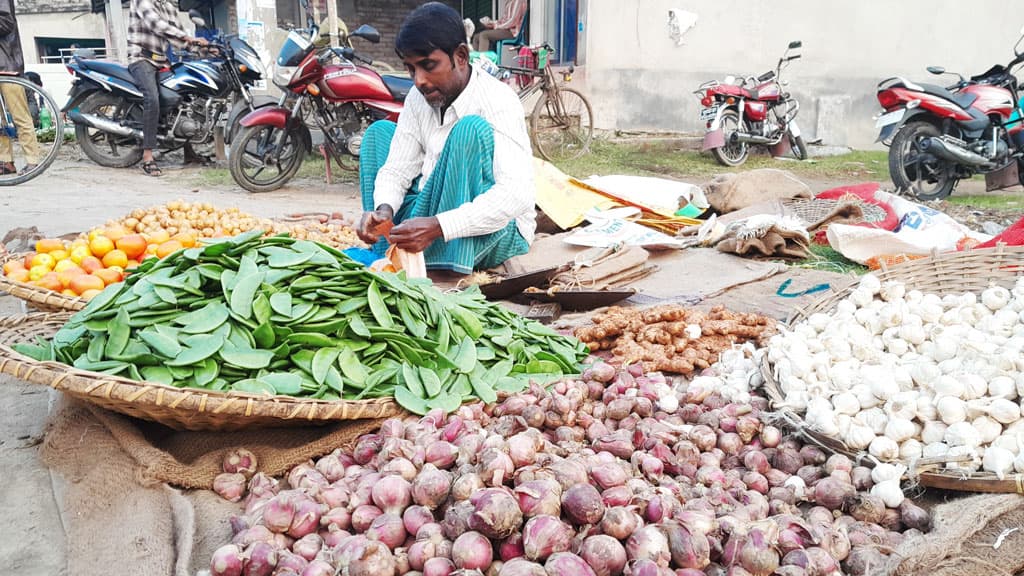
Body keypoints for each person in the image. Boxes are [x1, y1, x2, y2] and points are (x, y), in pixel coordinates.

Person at [356, 2, 535, 277]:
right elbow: (397, 167)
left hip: (498, 230)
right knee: (378, 134)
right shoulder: (418, 98)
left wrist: (438, 226)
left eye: (429, 66)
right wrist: (384, 210)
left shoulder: (498, 100)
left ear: (461, 56)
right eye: (411, 69)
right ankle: (389, 248)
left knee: (468, 131)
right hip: (433, 211)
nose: (419, 80)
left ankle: (445, 263)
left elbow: (516, 196)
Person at [126, 0, 207, 176]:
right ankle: (147, 156)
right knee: (152, 99)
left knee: (183, 99)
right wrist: (189, 38)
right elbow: (157, 25)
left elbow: (178, 38)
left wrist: (204, 48)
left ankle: (188, 153)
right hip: (141, 58)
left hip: (161, 61)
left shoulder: (169, 6)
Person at [0, 0, 41, 175]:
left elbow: (6, 22)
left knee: (20, 116)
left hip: (7, 65)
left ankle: (32, 161)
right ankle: (5, 161)